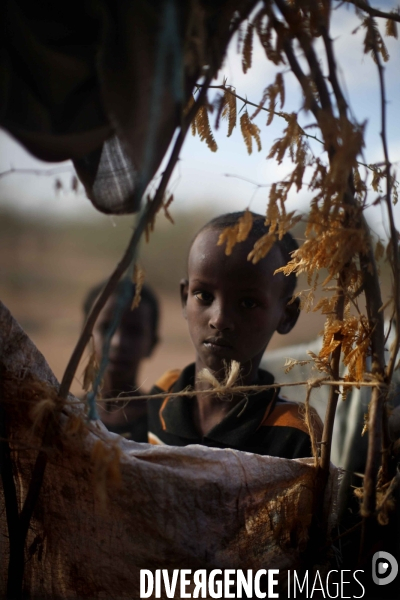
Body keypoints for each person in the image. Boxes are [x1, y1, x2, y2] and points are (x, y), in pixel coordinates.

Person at [147, 211, 322, 458]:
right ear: (184, 298)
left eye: (248, 303)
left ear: (287, 315)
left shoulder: (294, 432)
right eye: (204, 296)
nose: (219, 320)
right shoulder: (162, 396)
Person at [83, 278, 159, 441]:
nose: (118, 342)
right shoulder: (65, 412)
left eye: (134, 331)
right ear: (87, 336)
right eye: (106, 327)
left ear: (152, 344)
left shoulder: (163, 425)